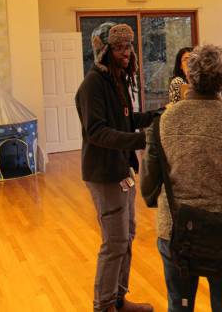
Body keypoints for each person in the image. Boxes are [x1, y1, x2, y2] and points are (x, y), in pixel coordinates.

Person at [140, 44, 222, 312]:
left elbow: (148, 188)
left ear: (190, 77)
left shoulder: (162, 122)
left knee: (179, 305)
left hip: (174, 229)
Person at [75, 22, 159, 312]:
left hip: (123, 170)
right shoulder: (92, 85)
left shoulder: (118, 79)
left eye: (129, 46)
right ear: (104, 50)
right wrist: (140, 140)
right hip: (103, 174)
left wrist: (152, 117)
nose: (126, 52)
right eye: (120, 47)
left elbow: (123, 119)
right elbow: (97, 132)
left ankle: (118, 300)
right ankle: (104, 305)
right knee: (114, 242)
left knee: (128, 236)